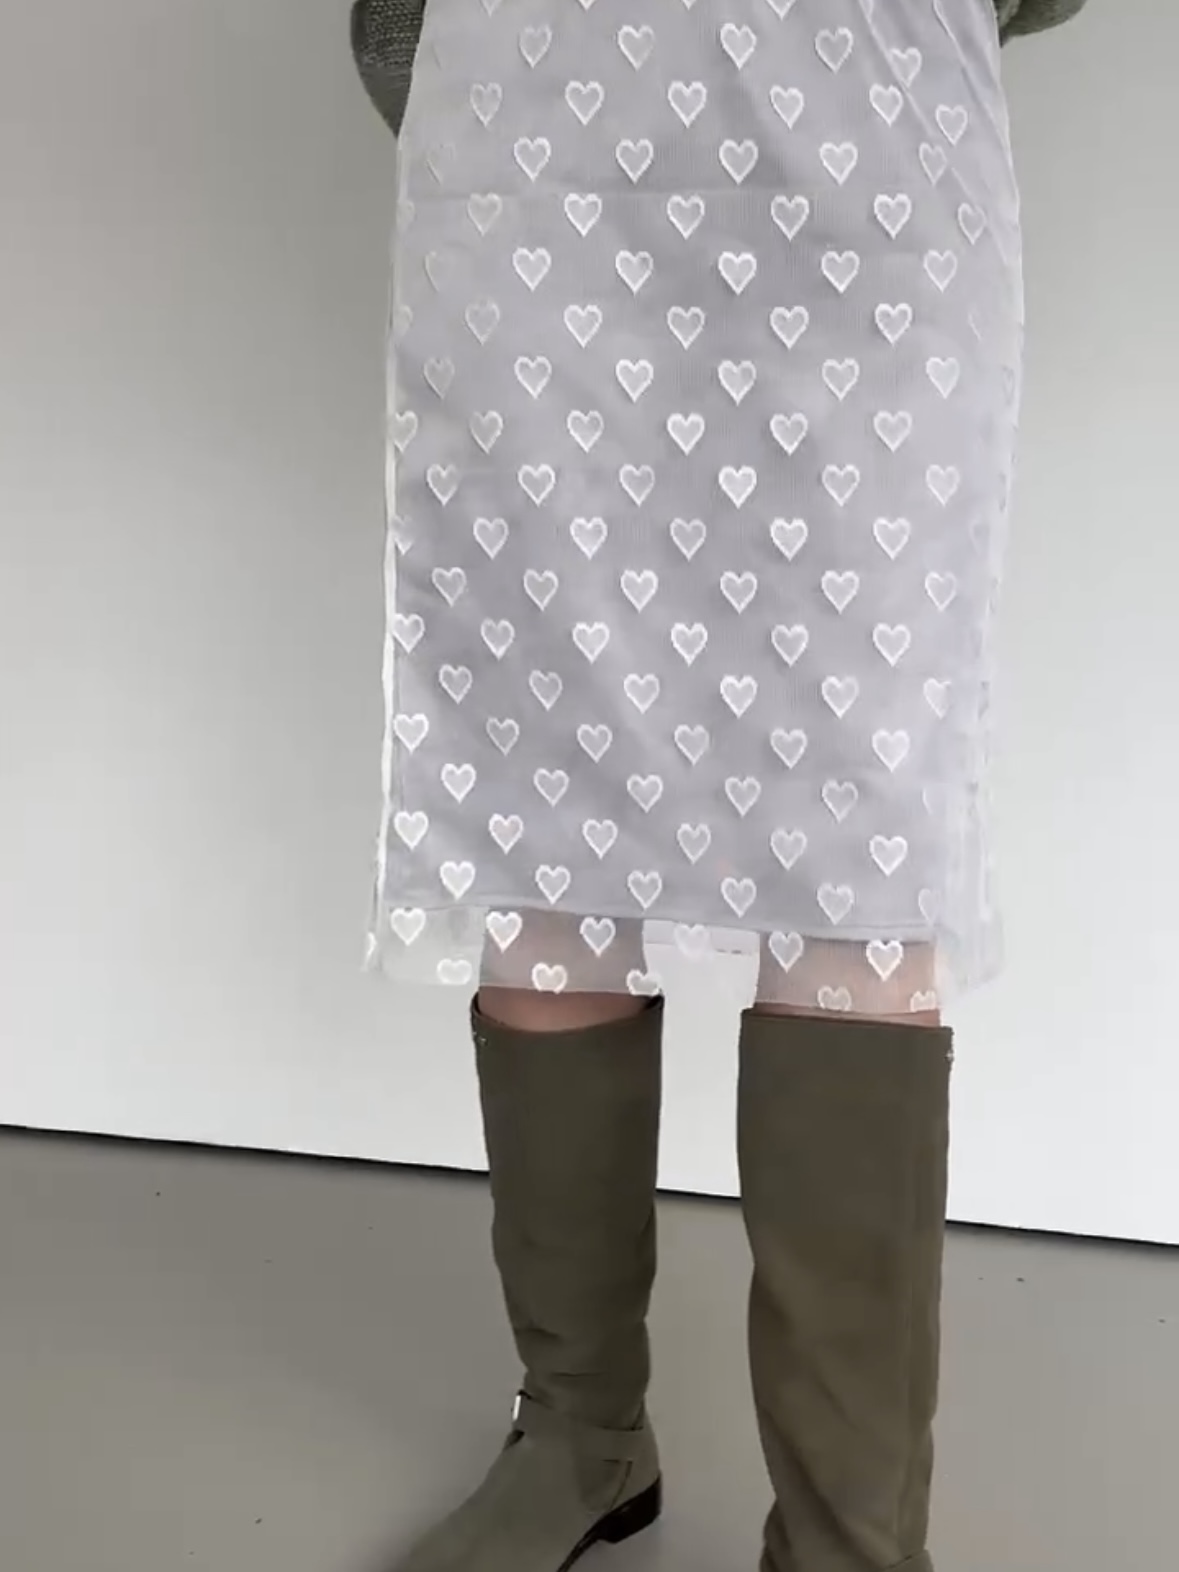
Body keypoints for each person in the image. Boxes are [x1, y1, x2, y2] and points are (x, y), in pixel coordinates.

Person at [351, 1, 1089, 1568]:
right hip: (538, 184)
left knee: (860, 859)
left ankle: (846, 1535)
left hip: (871, 185)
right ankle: (582, 1434)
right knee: (538, 824)